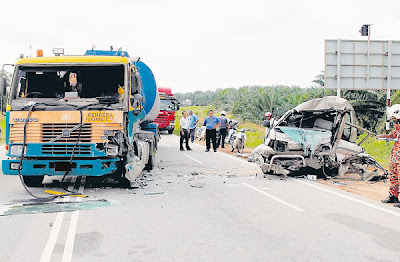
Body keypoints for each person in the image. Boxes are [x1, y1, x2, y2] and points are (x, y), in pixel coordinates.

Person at [376, 104, 400, 207]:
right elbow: (392, 135)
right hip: (395, 158)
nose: (395, 124)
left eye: (396, 121)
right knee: (393, 177)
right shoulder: (398, 131)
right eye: (393, 121)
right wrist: (384, 136)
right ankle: (393, 196)